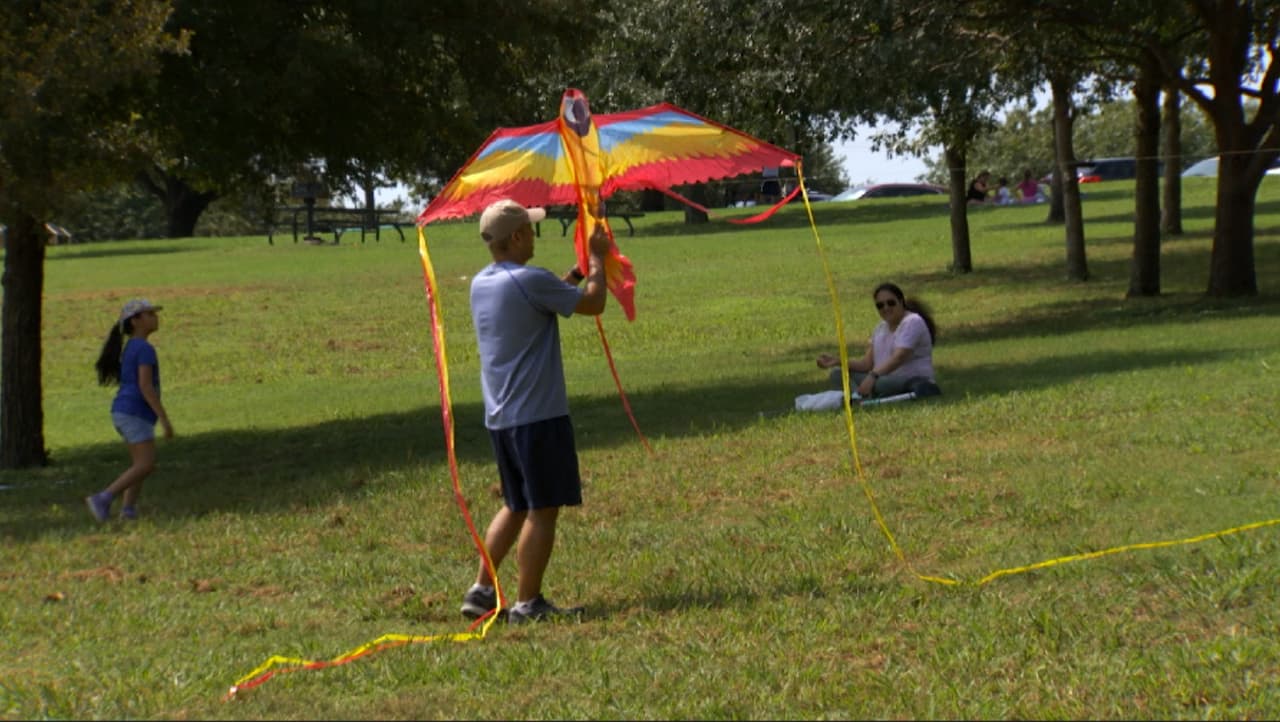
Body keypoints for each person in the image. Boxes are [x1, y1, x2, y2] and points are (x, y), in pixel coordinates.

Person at [459, 198, 611, 625]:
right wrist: (597, 261)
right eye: (530, 230)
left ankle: (482, 589)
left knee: (516, 504)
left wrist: (575, 273)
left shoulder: (483, 283)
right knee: (543, 509)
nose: (535, 236)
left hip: (502, 418)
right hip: (538, 417)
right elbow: (593, 303)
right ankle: (527, 603)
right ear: (517, 237)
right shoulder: (531, 280)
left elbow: (541, 297)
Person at [86, 299, 174, 522]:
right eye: (149, 314)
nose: (155, 317)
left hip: (125, 411)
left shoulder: (132, 347)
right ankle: (103, 498)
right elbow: (146, 386)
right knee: (146, 465)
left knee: (139, 465)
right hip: (134, 412)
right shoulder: (144, 349)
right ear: (135, 321)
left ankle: (128, 510)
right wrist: (164, 419)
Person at [815, 282, 938, 400]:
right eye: (880, 305)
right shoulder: (880, 328)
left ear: (901, 302)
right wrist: (837, 361)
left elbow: (899, 358)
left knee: (880, 383)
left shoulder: (912, 322)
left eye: (891, 303)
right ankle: (858, 399)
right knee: (837, 374)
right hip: (882, 378)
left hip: (910, 380)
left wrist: (872, 376)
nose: (886, 308)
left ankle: (860, 398)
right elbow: (866, 364)